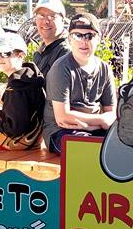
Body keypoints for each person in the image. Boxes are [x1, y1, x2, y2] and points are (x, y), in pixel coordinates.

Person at [43, 13, 117, 154]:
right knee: (87, 150)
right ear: (69, 39)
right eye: (78, 35)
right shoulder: (61, 68)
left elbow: (111, 114)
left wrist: (90, 126)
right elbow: (63, 117)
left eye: (89, 36)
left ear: (99, 39)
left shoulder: (105, 69)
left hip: (94, 129)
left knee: (125, 148)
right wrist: (100, 120)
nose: (83, 41)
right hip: (60, 132)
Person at [32, 0, 69, 77]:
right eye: (41, 15)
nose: (46, 21)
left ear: (63, 20)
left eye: (52, 16)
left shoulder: (66, 52)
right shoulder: (42, 50)